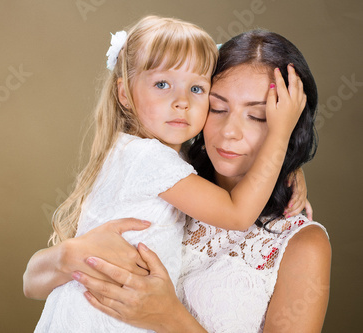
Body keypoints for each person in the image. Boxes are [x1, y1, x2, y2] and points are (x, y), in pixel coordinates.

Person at [30, 15, 306, 332]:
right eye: (162, 84)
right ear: (124, 94)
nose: (182, 102)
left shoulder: (137, 153)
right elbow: (237, 213)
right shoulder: (148, 158)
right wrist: (280, 137)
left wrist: (289, 169)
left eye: (198, 89)